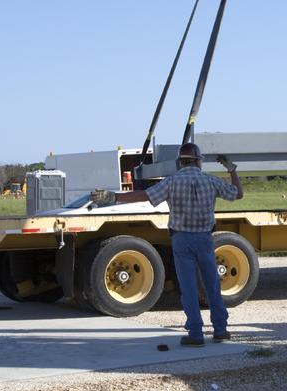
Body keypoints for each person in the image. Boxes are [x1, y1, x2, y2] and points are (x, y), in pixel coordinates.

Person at [93, 143, 242, 347]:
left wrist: (113, 197)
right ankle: (221, 330)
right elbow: (237, 193)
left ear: (180, 162)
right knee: (212, 285)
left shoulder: (172, 181)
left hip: (182, 239)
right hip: (205, 239)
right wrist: (232, 170)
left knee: (188, 288)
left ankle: (196, 334)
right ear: (198, 161)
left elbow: (144, 196)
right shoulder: (211, 181)